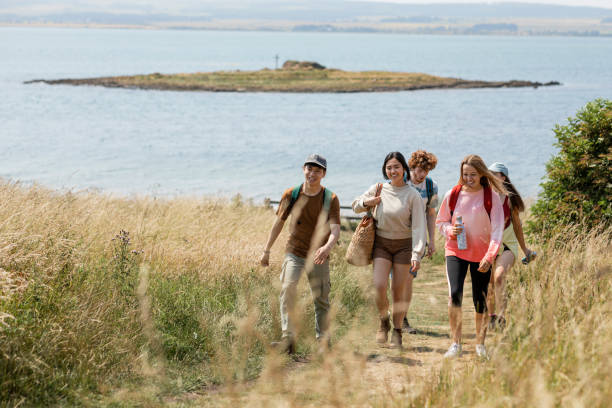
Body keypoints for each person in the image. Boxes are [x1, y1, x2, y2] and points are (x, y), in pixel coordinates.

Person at [260, 154, 341, 354]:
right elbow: (278, 223)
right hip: (294, 252)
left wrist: (327, 247)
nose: (312, 173)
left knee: (321, 298)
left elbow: (335, 230)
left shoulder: (330, 198)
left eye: (317, 170)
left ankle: (323, 342)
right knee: (287, 289)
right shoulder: (291, 194)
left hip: (318, 255)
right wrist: (266, 250)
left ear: (323, 174)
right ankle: (288, 341)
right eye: (309, 169)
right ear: (303, 169)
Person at [352, 152, 426, 349]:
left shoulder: (413, 195)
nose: (392, 171)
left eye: (396, 167)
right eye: (389, 167)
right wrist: (368, 202)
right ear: (385, 170)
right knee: (378, 286)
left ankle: (398, 330)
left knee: (398, 291)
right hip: (381, 244)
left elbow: (419, 227)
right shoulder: (378, 189)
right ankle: (383, 321)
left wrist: (417, 254)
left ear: (404, 169)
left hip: (404, 246)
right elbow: (355, 206)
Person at [436, 154, 506, 359]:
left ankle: (480, 345)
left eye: (473, 174)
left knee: (480, 300)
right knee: (455, 294)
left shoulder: (490, 196)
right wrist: (450, 231)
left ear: (482, 174)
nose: (468, 178)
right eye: (465, 174)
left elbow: (497, 229)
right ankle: (455, 344)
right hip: (455, 251)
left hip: (482, 255)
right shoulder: (454, 194)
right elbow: (441, 222)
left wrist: (490, 255)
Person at [486, 162, 535, 330]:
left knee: (499, 276)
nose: (491, 176)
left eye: (495, 174)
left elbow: (517, 226)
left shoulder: (510, 198)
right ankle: (491, 317)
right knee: (489, 282)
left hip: (508, 244)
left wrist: (525, 249)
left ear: (503, 177)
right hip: (489, 245)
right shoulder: (484, 195)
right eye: (489, 173)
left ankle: (501, 317)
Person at [402, 149, 439, 334]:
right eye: (418, 169)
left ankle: (403, 319)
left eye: (426, 170)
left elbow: (431, 214)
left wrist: (432, 240)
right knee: (394, 281)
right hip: (395, 237)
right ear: (412, 167)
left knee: (407, 279)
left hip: (417, 241)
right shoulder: (400, 181)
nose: (421, 174)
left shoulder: (431, 187)